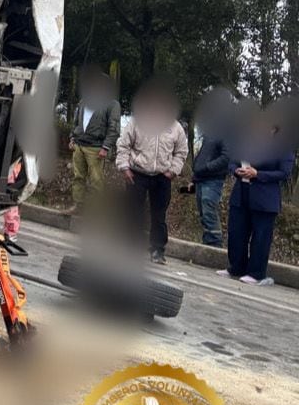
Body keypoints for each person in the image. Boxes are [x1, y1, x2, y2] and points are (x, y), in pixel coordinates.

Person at [115, 83, 188, 264]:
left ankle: (157, 250)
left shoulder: (175, 127)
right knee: (134, 211)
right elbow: (123, 144)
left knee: (159, 215)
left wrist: (173, 171)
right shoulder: (136, 122)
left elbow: (181, 151)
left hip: (162, 177)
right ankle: (132, 246)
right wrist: (124, 167)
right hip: (137, 173)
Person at [221, 113, 295, 285]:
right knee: (236, 233)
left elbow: (284, 173)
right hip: (241, 194)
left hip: (264, 199)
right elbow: (232, 162)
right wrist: (236, 171)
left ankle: (256, 273)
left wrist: (258, 174)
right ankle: (236, 267)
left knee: (261, 237)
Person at [68, 67, 121, 213]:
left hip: (96, 147)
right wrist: (72, 137)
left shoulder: (112, 104)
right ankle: (78, 206)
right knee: (78, 177)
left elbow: (114, 128)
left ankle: (94, 210)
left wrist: (106, 147)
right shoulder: (84, 101)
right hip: (79, 145)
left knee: (96, 181)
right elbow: (76, 122)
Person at [189, 91, 232, 246]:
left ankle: (215, 245)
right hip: (201, 178)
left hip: (213, 179)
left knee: (209, 209)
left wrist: (207, 168)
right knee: (203, 213)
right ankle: (207, 244)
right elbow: (204, 153)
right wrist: (196, 173)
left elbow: (226, 157)